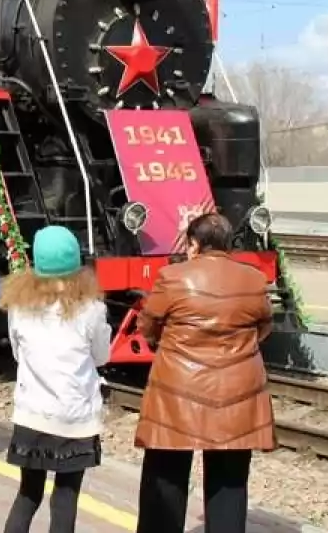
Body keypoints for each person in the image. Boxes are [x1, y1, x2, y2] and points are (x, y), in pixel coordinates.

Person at [134, 212, 275, 533]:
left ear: (194, 245)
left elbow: (148, 326)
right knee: (229, 483)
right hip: (238, 396)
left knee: (165, 477)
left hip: (176, 394)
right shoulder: (253, 279)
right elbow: (264, 327)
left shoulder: (172, 277)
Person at [0, 226, 109, 533]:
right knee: (65, 498)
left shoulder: (19, 306)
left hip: (32, 414)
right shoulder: (92, 309)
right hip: (75, 418)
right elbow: (101, 358)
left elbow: (18, 354)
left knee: (27, 494)